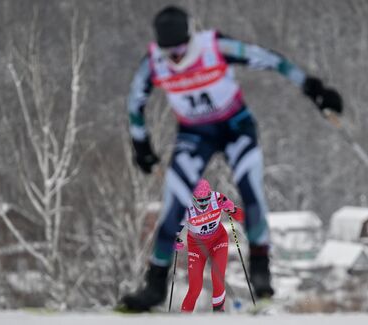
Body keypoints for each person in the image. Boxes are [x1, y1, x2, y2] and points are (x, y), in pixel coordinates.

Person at [121, 5, 343, 311]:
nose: (175, 57)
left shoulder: (214, 47)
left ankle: (261, 275)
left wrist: (314, 88)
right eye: (169, 51)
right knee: (173, 207)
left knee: (251, 194)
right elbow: (135, 102)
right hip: (194, 135)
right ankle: (155, 287)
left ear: (191, 37)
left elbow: (271, 60)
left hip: (236, 127)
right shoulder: (154, 63)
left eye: (181, 49)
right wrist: (141, 145)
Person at [175, 178, 244, 312]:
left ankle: (218, 314)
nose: (204, 203)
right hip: (197, 246)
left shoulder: (217, 198)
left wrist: (233, 209)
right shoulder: (186, 207)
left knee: (218, 277)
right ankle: (183, 318)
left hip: (218, 241)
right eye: (201, 201)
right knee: (195, 287)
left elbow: (240, 217)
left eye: (207, 199)